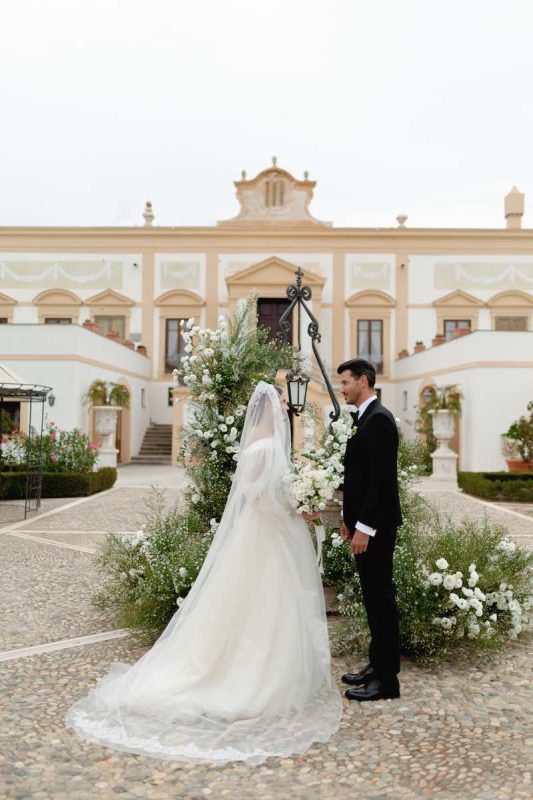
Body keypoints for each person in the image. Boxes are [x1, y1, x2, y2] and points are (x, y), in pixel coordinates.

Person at [66, 381, 342, 765]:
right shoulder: (264, 447)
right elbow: (259, 496)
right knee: (264, 600)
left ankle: (271, 667)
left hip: (266, 533)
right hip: (267, 533)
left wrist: (296, 502)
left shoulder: (263, 445)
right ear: (268, 410)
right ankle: (253, 676)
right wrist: (296, 507)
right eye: (280, 402)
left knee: (261, 602)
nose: (284, 407)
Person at [337, 358, 402, 702]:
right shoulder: (366, 420)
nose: (342, 389)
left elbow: (381, 482)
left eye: (346, 382)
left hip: (375, 529)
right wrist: (350, 520)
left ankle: (387, 681)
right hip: (364, 526)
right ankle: (377, 666)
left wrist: (364, 528)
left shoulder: (379, 421)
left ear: (363, 381)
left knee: (381, 601)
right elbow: (360, 478)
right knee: (374, 599)